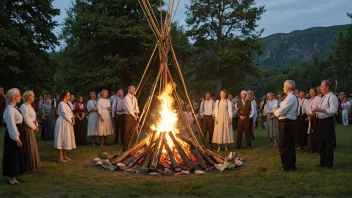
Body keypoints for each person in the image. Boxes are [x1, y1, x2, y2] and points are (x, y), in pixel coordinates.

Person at [2, 88, 28, 184]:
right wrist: (16, 138)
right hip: (12, 135)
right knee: (12, 155)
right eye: (19, 95)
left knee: (17, 155)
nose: (20, 97)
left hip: (18, 132)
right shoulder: (10, 110)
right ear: (13, 97)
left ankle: (14, 176)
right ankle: (11, 178)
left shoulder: (14, 107)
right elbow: (11, 125)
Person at [274, 80, 299, 172]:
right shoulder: (291, 97)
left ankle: (286, 166)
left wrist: (276, 112)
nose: (283, 88)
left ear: (288, 88)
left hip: (286, 122)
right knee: (289, 145)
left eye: (284, 86)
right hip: (289, 122)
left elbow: (281, 110)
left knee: (284, 144)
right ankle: (291, 164)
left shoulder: (290, 97)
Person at [313, 80, 338, 168]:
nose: (320, 88)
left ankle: (329, 163)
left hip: (328, 122)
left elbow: (333, 111)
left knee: (328, 143)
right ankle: (322, 161)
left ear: (327, 87)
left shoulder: (332, 97)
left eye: (322, 86)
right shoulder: (323, 97)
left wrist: (320, 110)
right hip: (321, 121)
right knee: (321, 142)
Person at [20, 91, 41, 172]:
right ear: (28, 97)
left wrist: (37, 125)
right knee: (28, 146)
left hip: (32, 128)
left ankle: (33, 164)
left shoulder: (30, 106)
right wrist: (34, 127)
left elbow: (34, 117)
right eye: (32, 96)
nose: (33, 98)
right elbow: (26, 119)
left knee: (32, 145)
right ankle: (28, 165)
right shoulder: (23, 107)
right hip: (27, 129)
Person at [54, 90, 76, 163]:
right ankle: (60, 157)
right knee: (61, 137)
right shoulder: (61, 104)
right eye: (68, 95)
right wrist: (70, 121)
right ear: (64, 96)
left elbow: (71, 113)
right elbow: (64, 114)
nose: (69, 96)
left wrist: (73, 120)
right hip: (63, 122)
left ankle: (65, 155)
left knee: (66, 138)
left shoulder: (68, 104)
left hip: (68, 122)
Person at [123, 85, 140, 151]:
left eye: (134, 90)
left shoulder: (134, 98)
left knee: (133, 130)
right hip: (128, 115)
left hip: (134, 115)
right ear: (129, 90)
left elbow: (136, 106)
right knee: (127, 131)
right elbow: (129, 108)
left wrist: (137, 114)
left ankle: (133, 144)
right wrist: (134, 115)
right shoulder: (127, 98)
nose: (134, 91)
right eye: (133, 90)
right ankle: (125, 146)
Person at [306, 88, 321, 154]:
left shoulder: (318, 98)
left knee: (315, 133)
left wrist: (314, 114)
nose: (310, 93)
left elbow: (319, 108)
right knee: (310, 133)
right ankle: (311, 148)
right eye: (309, 91)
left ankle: (316, 149)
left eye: (311, 91)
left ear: (315, 92)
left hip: (316, 118)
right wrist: (309, 115)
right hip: (311, 117)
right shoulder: (310, 100)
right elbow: (308, 108)